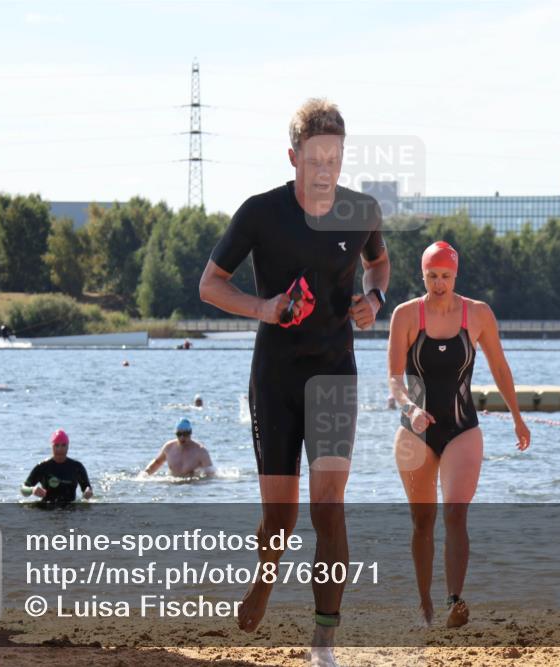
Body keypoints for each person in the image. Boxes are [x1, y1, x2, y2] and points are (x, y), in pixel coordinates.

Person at [199, 98, 389, 665]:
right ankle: (265, 574)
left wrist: (374, 299)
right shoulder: (260, 213)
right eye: (314, 159)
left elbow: (378, 264)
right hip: (276, 377)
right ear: (293, 158)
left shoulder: (361, 211)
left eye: (334, 158)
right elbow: (210, 285)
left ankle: (324, 639)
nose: (326, 170)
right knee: (279, 519)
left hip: (334, 374)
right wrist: (265, 308)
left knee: (328, 509)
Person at [388, 241, 530, 629]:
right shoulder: (405, 315)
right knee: (422, 521)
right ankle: (424, 604)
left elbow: (500, 367)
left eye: (445, 276)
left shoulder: (478, 314)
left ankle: (454, 601)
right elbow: (395, 380)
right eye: (431, 276)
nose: (438, 283)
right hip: (414, 431)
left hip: (463, 429)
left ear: (456, 275)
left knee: (456, 513)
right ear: (422, 275)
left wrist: (517, 417)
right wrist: (410, 409)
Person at [21, 429, 94, 503]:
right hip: (47, 510)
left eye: (63, 445)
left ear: (68, 446)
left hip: (70, 510)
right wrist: (32, 490)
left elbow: (87, 488)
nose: (60, 449)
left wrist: (88, 492)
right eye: (56, 445)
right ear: (51, 446)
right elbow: (23, 489)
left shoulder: (76, 467)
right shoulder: (42, 467)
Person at [143, 418, 215, 478]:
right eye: (179, 434)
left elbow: (210, 475)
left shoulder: (201, 451)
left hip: (192, 487)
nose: (182, 437)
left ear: (190, 433)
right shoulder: (168, 447)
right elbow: (157, 462)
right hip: (173, 487)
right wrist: (145, 474)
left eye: (185, 434)